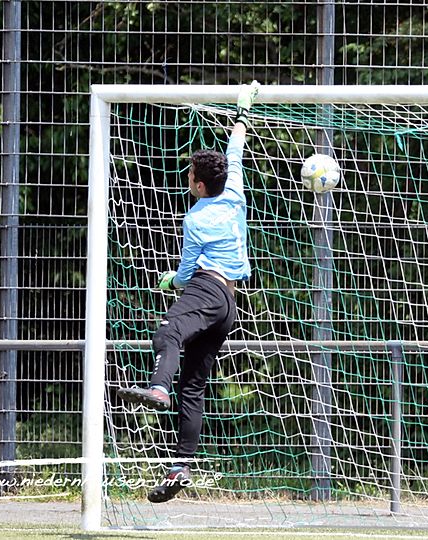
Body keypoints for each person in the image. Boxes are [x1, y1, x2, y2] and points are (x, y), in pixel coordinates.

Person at [118, 81, 260, 503]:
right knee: (194, 386)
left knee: (168, 332)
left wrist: (170, 281)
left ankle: (157, 388)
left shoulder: (196, 218)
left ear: (198, 186)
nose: (189, 177)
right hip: (229, 304)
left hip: (206, 290)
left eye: (191, 175)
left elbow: (186, 272)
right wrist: (243, 110)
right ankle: (180, 466)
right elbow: (235, 147)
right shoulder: (234, 190)